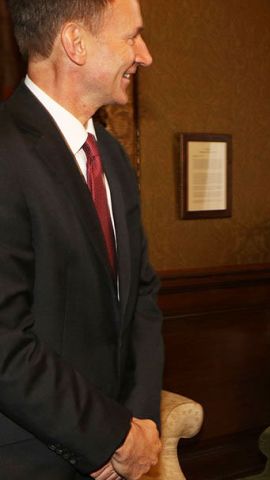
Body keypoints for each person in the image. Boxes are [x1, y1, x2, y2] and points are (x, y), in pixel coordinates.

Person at [0, 0, 163, 478]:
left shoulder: (110, 155)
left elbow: (143, 300)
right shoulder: (5, 154)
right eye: (131, 36)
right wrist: (109, 435)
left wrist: (136, 426)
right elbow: (5, 342)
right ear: (75, 43)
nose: (145, 54)